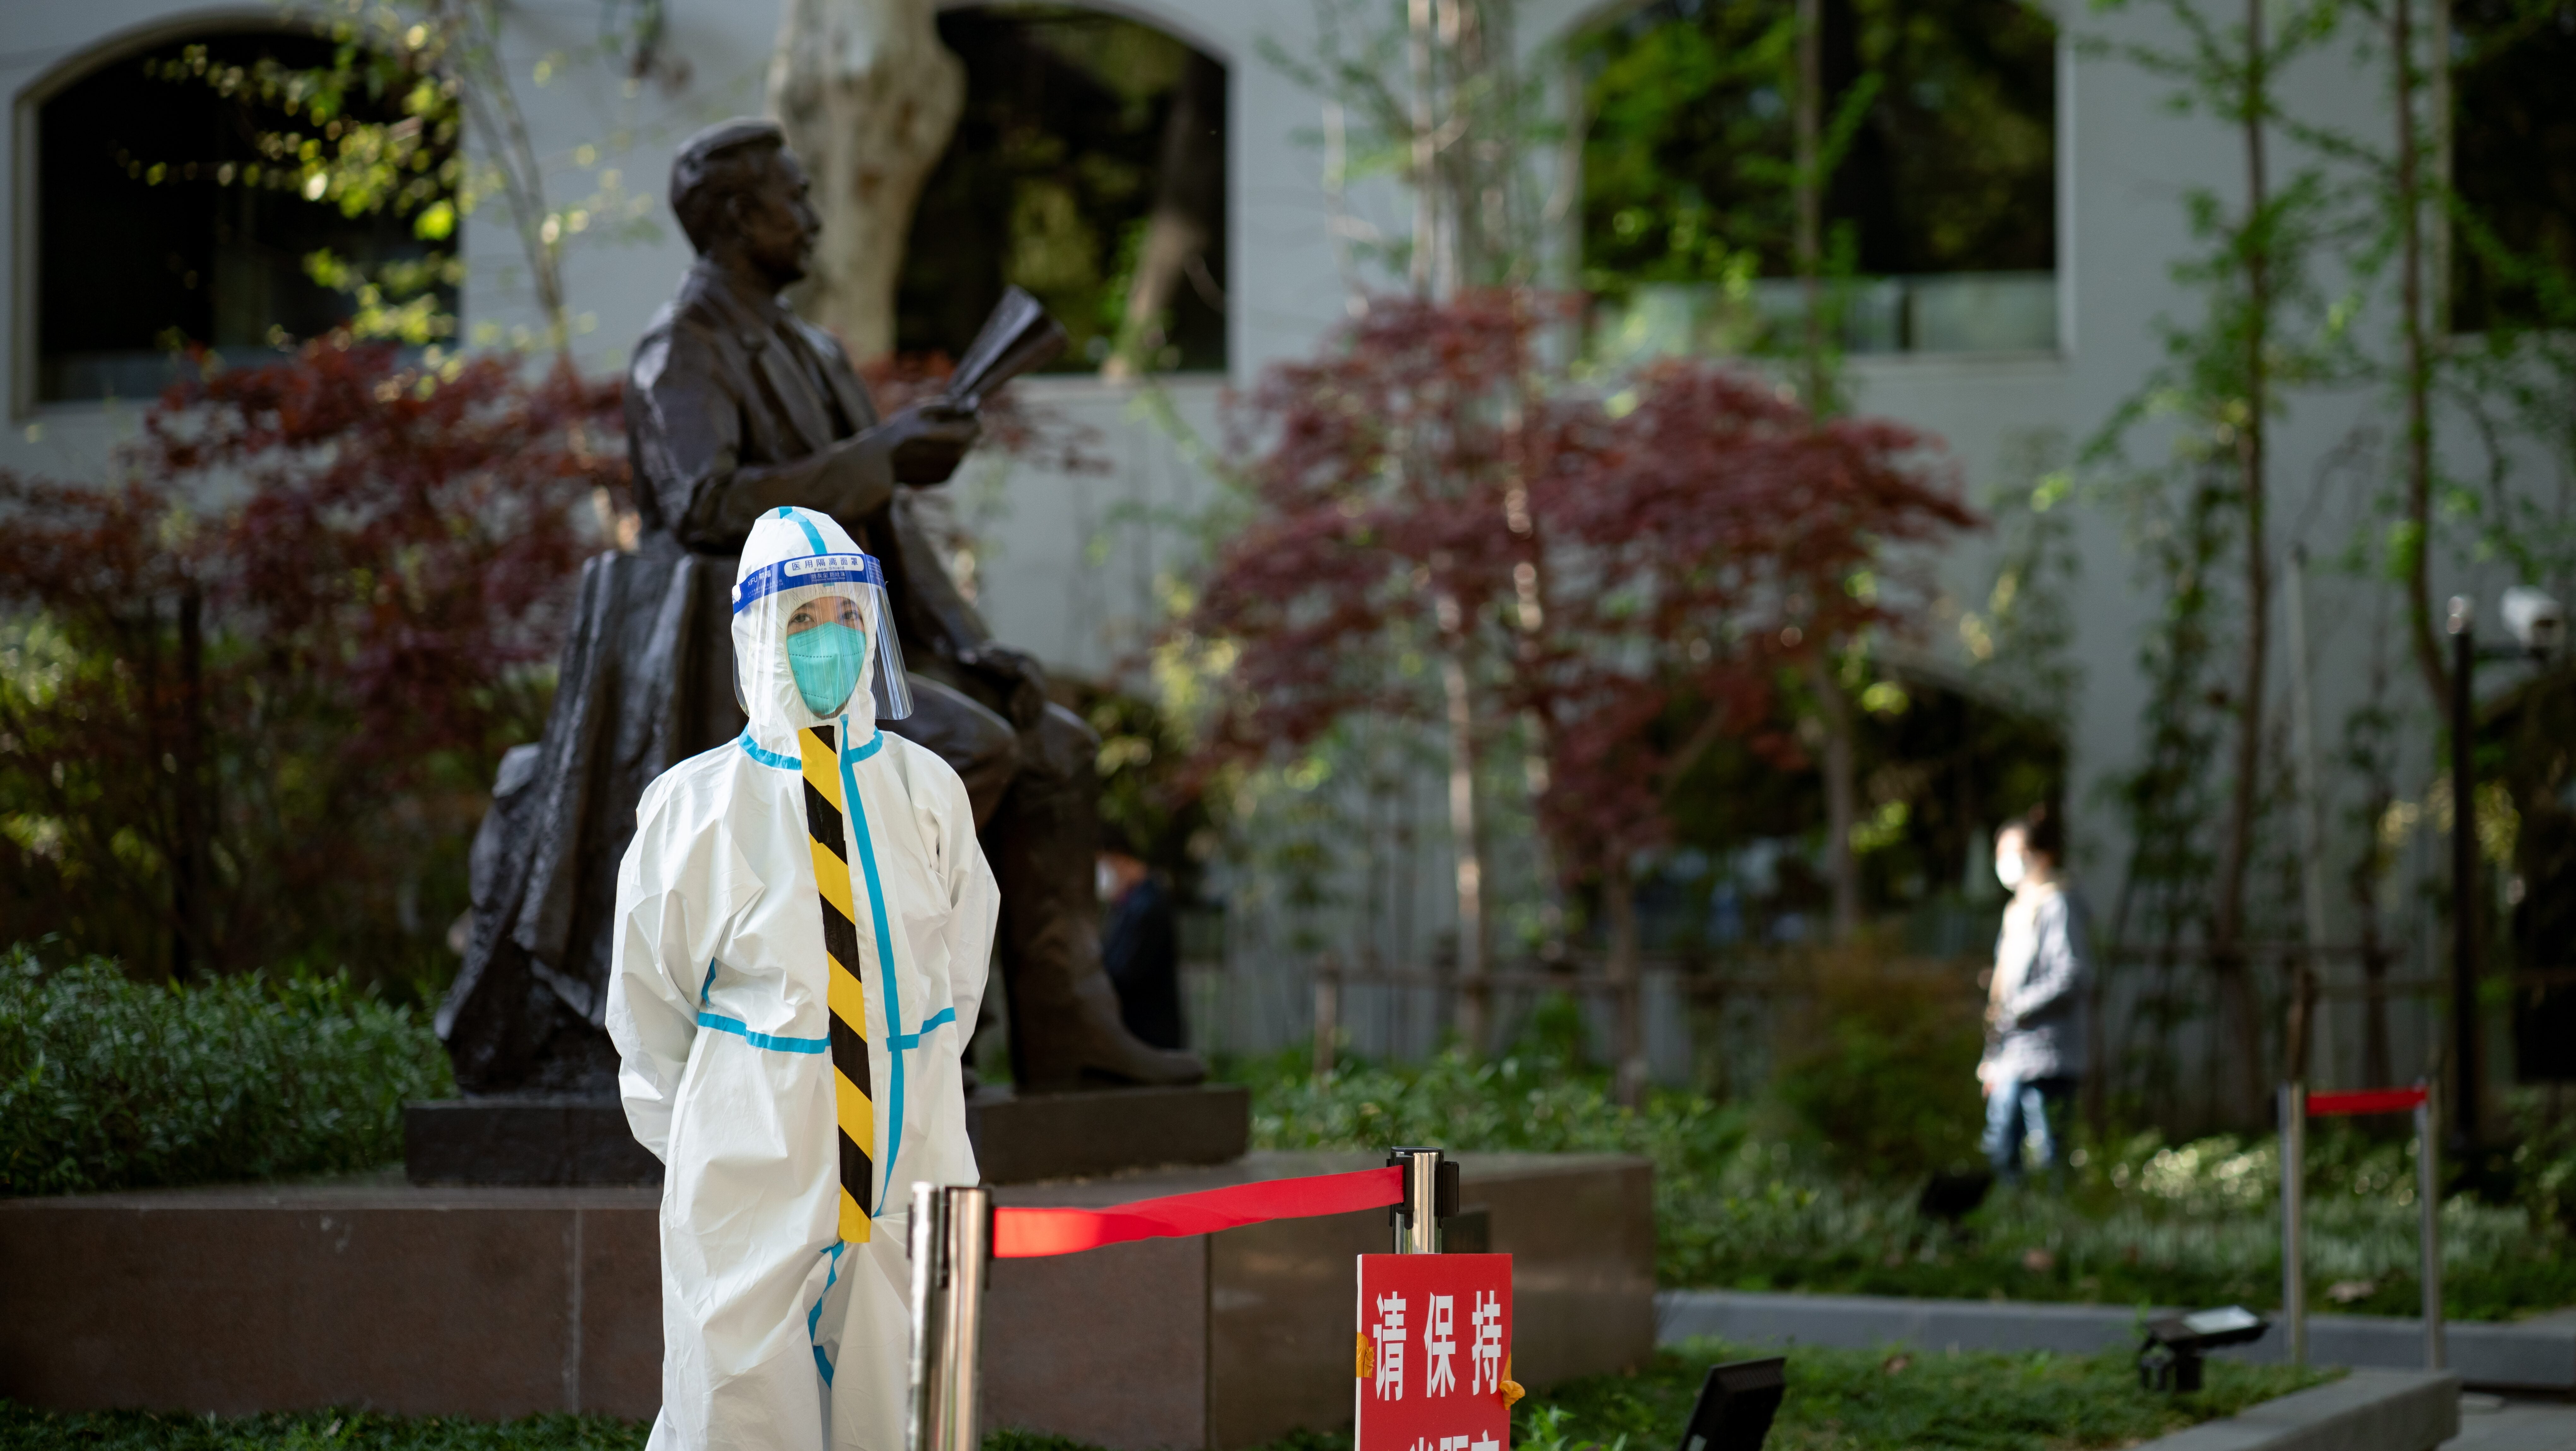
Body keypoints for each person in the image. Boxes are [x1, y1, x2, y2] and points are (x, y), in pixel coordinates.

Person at [443, 117, 1199, 1099]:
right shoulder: (681, 351)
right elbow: (702, 506)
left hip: (843, 656)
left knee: (1050, 741)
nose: (810, 217)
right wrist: (881, 454)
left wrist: (976, 648)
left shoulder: (813, 353)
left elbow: (883, 521)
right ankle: (879, 1004)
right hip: (740, 674)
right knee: (965, 750)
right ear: (728, 220)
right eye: (789, 199)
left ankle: (1072, 1031)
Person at [608, 506, 996, 1451]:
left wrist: (915, 1076)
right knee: (738, 1399)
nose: (830, 639)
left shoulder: (927, 791)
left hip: (910, 1151)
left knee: (903, 1394)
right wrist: (722, 1125)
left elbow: (958, 976)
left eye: (847, 616)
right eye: (802, 618)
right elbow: (649, 1008)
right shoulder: (694, 807)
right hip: (752, 1154)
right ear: (758, 635)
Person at [1977, 804, 2090, 1186]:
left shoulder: (2057, 903)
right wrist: (1990, 1057)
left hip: (2048, 1056)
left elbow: (2071, 974)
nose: (2008, 862)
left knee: (2050, 1157)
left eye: (2016, 852)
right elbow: (2000, 994)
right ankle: (2015, 1234)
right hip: (2011, 1055)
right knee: (2001, 1152)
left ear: (2043, 855)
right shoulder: (2017, 911)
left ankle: (2053, 1238)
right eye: (2002, 853)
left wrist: (2018, 1007)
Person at [1097, 825, 1185, 1050]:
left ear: (1117, 858)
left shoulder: (1147, 906)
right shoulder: (1132, 903)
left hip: (1149, 1038)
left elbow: (1123, 972)